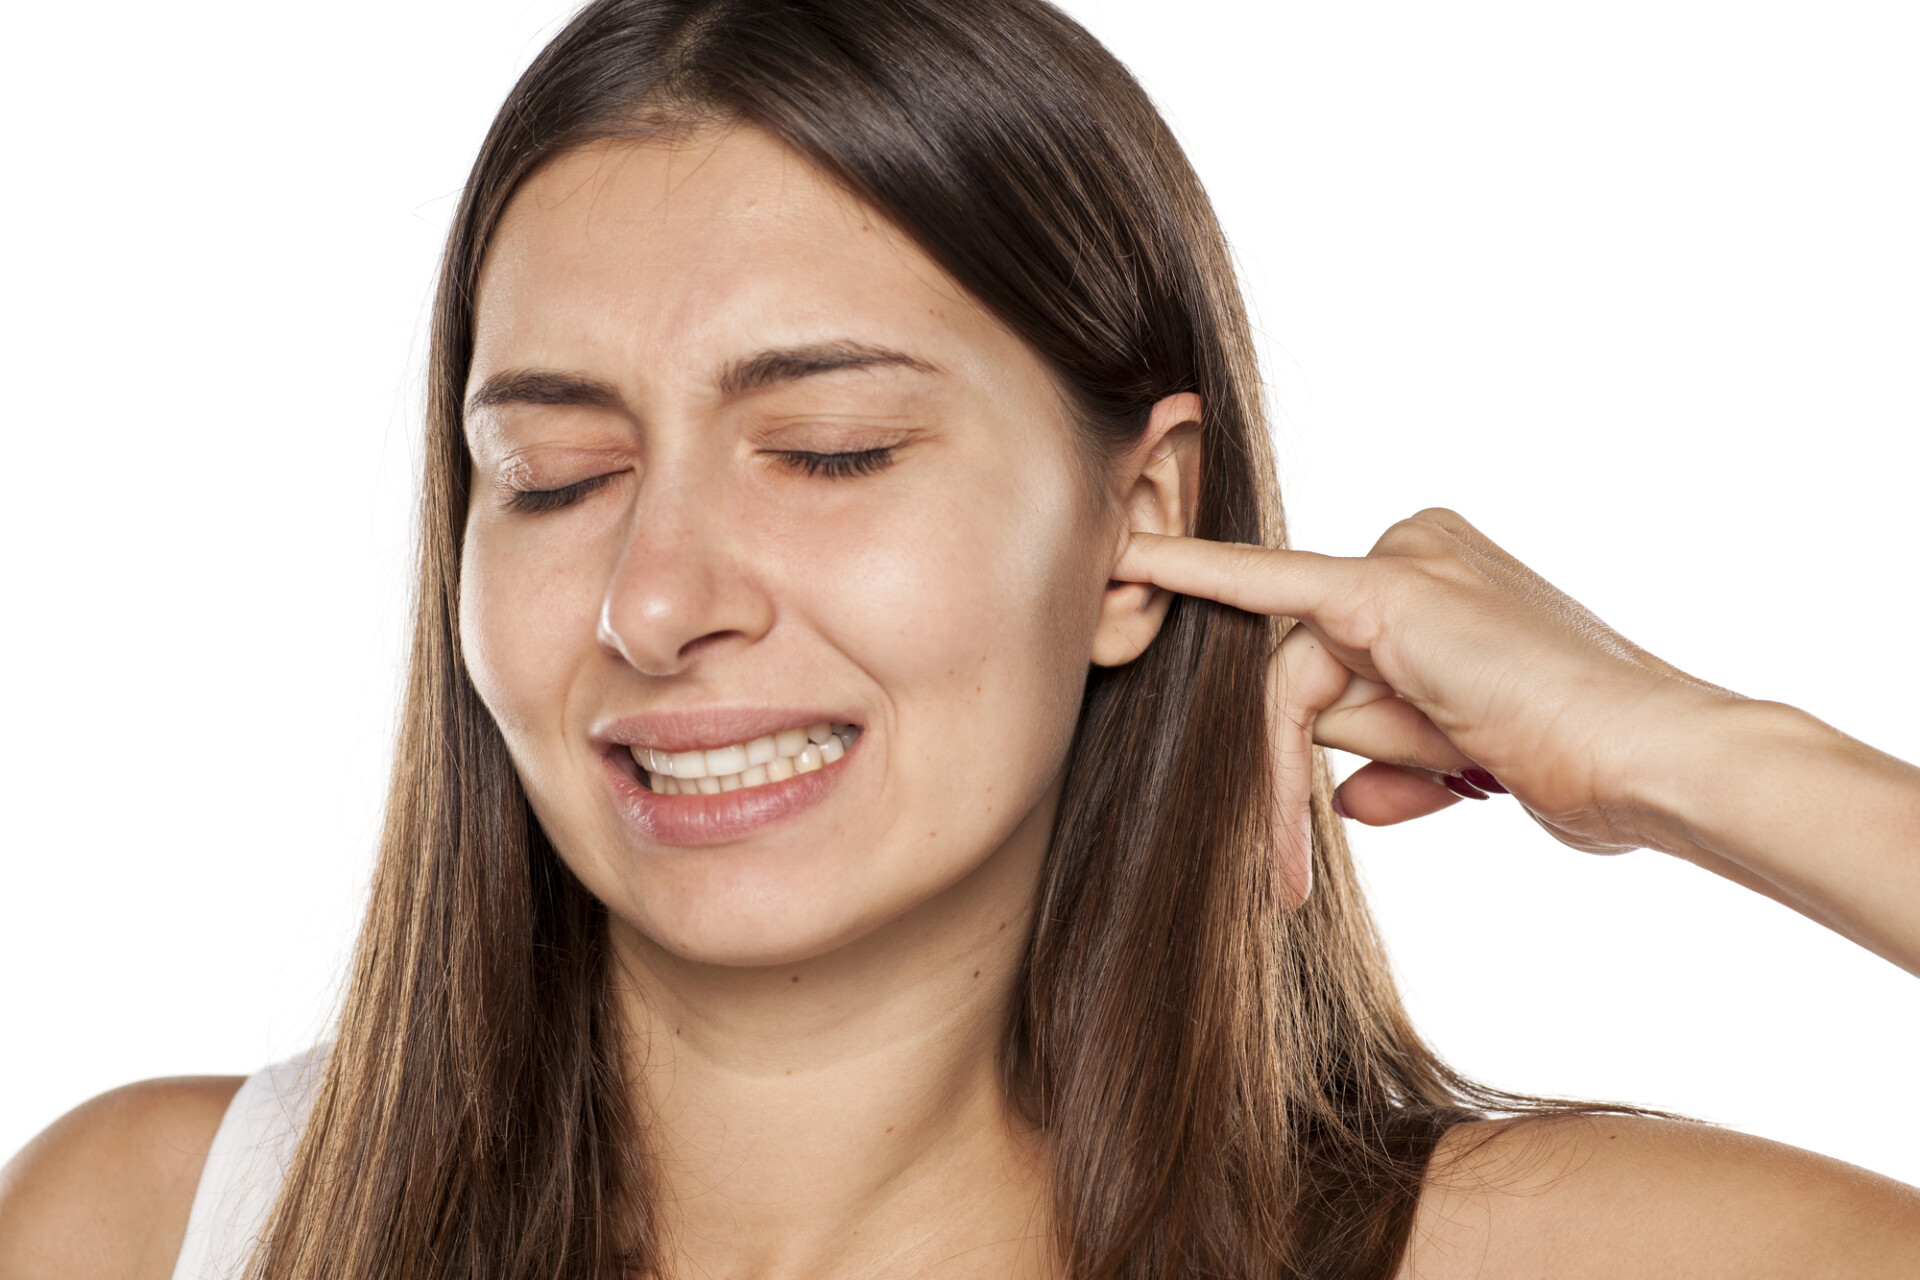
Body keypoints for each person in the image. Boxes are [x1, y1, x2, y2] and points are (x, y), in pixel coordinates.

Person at [3, 0, 1916, 1276]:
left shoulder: (1550, 1256)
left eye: (829, 453)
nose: (656, 600)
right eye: (555, 471)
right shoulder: (155, 1228)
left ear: (1137, 526)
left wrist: (1708, 756)